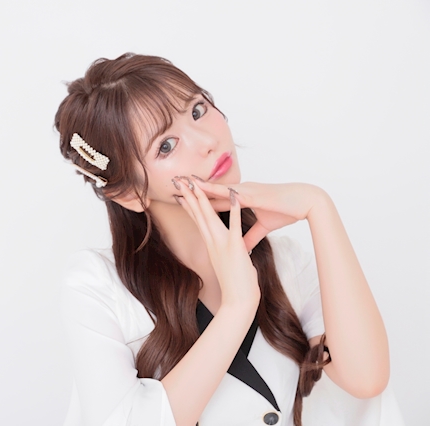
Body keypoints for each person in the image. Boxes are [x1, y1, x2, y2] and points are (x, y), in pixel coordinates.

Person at [55, 53, 402, 426]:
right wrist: (237, 306)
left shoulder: (284, 261)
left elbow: (366, 380)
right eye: (166, 146)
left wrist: (319, 207)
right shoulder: (97, 286)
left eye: (198, 110)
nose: (207, 141)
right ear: (129, 194)